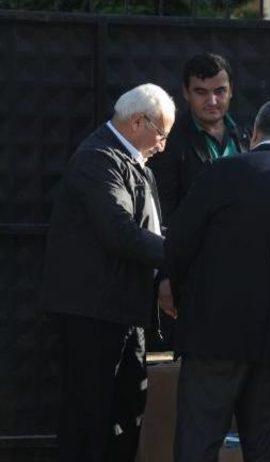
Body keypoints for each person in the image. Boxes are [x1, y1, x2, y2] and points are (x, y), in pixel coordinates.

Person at [165, 100, 270, 461]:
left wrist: (176, 292)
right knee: (266, 447)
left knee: (198, 440)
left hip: (212, 332)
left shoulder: (218, 174)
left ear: (254, 133)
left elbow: (179, 242)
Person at [40, 83, 176, 462]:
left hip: (119, 311)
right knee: (90, 417)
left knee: (124, 411)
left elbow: (146, 229)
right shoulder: (99, 158)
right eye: (162, 134)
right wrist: (181, 255)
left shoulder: (129, 160)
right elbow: (120, 233)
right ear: (138, 122)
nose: (163, 145)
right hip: (94, 314)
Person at [149, 53, 248, 223]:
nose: (212, 101)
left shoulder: (247, 137)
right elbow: (164, 211)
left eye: (220, 91)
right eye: (201, 92)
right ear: (186, 93)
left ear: (231, 90)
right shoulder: (168, 143)